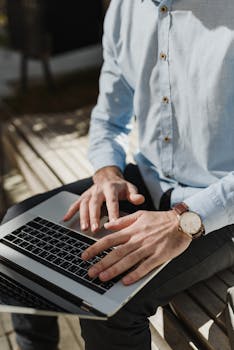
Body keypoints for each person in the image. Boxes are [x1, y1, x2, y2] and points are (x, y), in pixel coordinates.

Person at [2, 1, 234, 349]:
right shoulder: (125, 8)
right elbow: (110, 117)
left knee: (109, 304)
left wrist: (183, 220)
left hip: (219, 209)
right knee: (16, 235)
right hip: (145, 181)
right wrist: (107, 172)